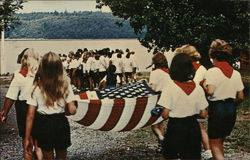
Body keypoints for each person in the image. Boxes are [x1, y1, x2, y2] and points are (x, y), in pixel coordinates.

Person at [24, 52, 77, 159]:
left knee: (48, 155)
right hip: (61, 122)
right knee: (61, 154)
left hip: (44, 124)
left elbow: (30, 115)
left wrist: (27, 137)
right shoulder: (65, 85)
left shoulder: (37, 87)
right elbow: (72, 110)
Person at [156, 53, 208, 160]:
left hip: (175, 127)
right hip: (193, 127)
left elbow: (165, 115)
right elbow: (203, 114)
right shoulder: (198, 88)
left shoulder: (169, 87)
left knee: (169, 155)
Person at [204, 39, 244, 160]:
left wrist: (203, 86)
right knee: (220, 141)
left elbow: (210, 91)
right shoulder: (236, 73)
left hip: (217, 109)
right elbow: (241, 97)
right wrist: (231, 105)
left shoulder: (212, 71)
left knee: (214, 143)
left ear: (212, 54)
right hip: (231, 109)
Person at [0, 48, 43, 160]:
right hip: (40, 108)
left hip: (24, 109)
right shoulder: (43, 73)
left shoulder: (19, 75)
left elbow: (11, 96)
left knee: (27, 143)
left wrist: (4, 112)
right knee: (40, 145)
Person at [175, 44, 213, 160]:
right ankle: (207, 152)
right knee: (201, 128)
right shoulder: (202, 69)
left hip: (183, 102)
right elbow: (206, 86)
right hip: (199, 102)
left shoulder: (180, 68)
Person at [148, 53, 171, 153]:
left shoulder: (155, 73)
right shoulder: (169, 73)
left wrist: (147, 86)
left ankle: (162, 140)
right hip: (170, 99)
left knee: (154, 124)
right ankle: (161, 145)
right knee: (160, 123)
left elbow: (153, 88)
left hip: (159, 99)